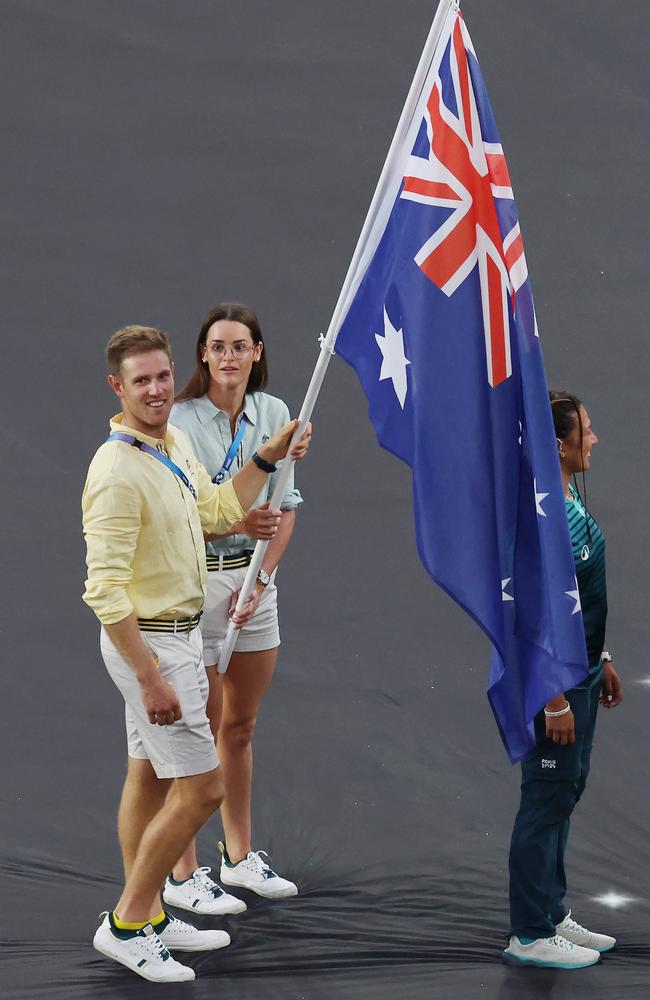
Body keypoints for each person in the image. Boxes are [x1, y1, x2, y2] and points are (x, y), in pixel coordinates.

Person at [82, 324, 311, 982]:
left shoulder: (172, 441)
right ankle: (127, 923)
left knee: (149, 779)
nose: (155, 389)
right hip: (153, 645)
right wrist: (151, 678)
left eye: (162, 376)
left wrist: (266, 458)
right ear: (117, 388)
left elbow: (214, 508)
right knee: (203, 787)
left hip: (173, 636)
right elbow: (102, 591)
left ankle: (150, 914)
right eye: (140, 381)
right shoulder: (117, 473)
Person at [162, 302, 304, 915]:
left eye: (239, 345)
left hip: (253, 585)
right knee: (195, 729)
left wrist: (264, 578)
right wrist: (234, 526)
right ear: (203, 354)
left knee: (239, 727)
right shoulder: (180, 419)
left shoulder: (275, 414)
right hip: (198, 583)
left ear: (257, 352)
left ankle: (240, 858)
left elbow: (288, 504)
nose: (228, 356)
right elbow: (183, 513)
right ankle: (181, 871)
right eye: (217, 346)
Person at [504, 390, 623, 970]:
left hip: (581, 671)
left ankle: (550, 910)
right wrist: (551, 697)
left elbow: (576, 600)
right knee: (545, 798)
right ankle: (528, 933)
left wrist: (602, 657)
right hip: (551, 682)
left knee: (564, 795)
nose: (594, 439)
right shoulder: (540, 513)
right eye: (587, 431)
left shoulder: (567, 497)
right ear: (559, 445)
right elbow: (530, 612)